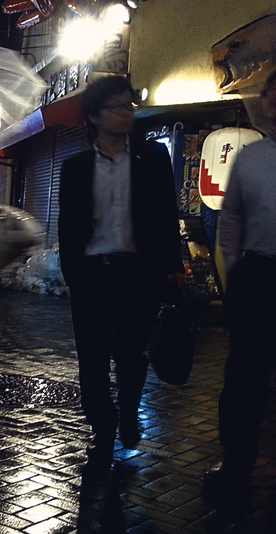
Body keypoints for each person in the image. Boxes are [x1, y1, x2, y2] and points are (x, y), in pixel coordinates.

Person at [58, 76, 183, 471]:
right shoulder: (75, 167)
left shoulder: (153, 157)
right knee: (91, 359)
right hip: (92, 275)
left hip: (137, 275)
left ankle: (128, 411)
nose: (126, 113)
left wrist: (173, 264)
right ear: (95, 116)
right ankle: (103, 426)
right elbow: (67, 227)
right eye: (116, 106)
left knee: (132, 355)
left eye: (129, 105)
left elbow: (166, 214)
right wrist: (72, 274)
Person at [205, 73, 276, 496]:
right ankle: (235, 457)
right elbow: (230, 219)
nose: (273, 100)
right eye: (270, 93)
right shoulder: (250, 157)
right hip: (258, 272)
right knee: (245, 373)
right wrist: (234, 272)